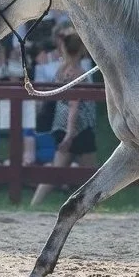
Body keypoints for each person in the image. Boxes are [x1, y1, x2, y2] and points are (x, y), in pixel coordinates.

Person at [30, 32, 98, 205]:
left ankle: (35, 203)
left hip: (60, 125)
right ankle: (94, 206)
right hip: (79, 128)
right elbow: (74, 106)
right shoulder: (78, 73)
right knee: (90, 175)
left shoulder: (61, 70)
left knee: (56, 171)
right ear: (82, 49)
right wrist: (70, 133)